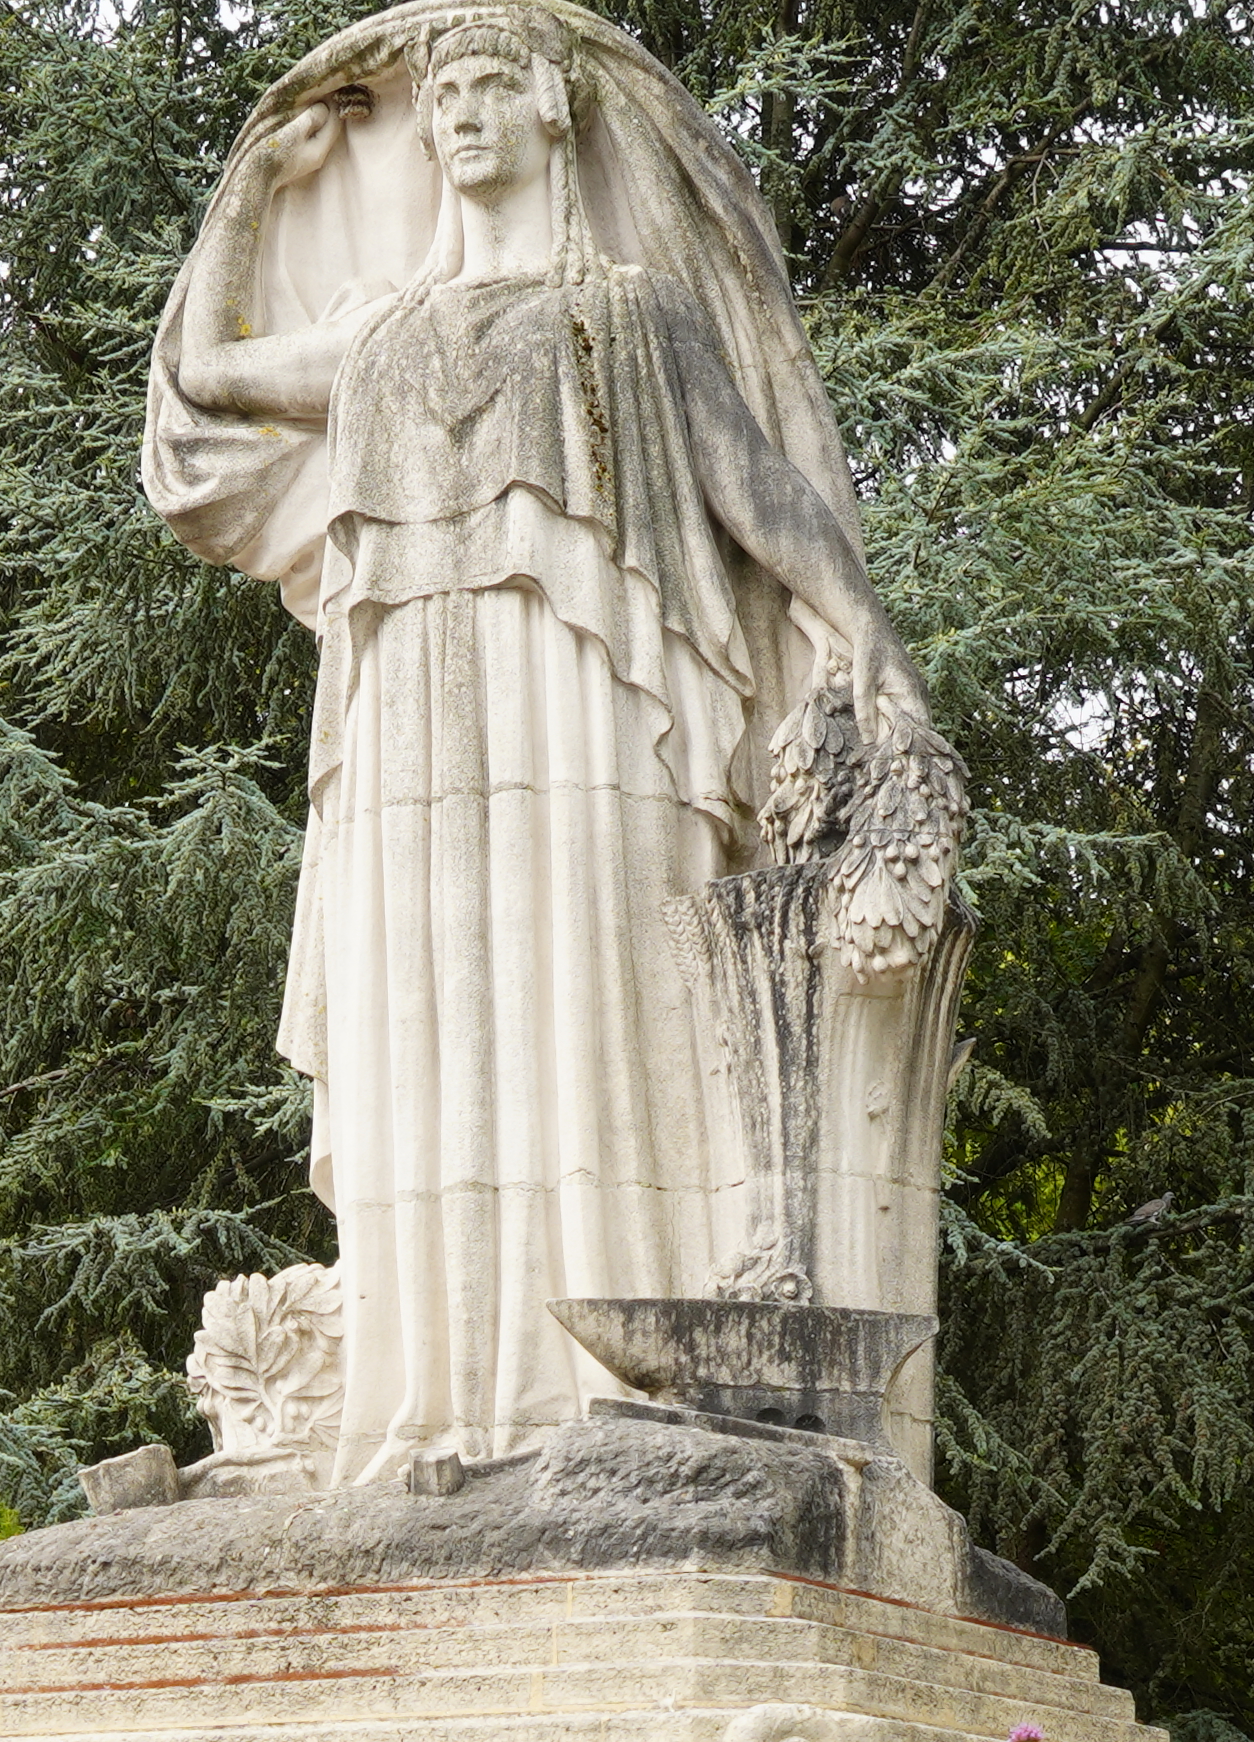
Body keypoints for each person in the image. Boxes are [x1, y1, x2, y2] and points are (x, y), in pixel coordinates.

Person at [147, 1, 949, 1491]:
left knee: (598, 1005)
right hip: (409, 735)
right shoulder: (384, 337)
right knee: (428, 1032)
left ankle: (603, 1394)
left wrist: (861, 628)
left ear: (554, 109)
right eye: (442, 93)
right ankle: (433, 1407)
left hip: (596, 712)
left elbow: (754, 490)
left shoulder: (633, 315)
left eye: (490, 85)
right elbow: (207, 373)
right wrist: (259, 180)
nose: (458, 113)